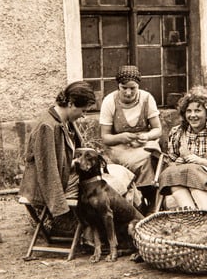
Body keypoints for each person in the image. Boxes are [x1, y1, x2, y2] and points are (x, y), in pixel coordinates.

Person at [19, 81, 96, 218]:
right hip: (43, 188)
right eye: (83, 110)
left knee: (116, 177)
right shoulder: (47, 127)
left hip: (63, 177)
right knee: (102, 188)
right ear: (71, 104)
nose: (83, 115)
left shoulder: (63, 121)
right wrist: (59, 207)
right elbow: (48, 170)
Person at [99, 65, 162, 213]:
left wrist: (146, 136)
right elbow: (105, 137)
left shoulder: (147, 99)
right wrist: (121, 137)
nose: (128, 92)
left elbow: (158, 130)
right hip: (118, 146)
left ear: (138, 86)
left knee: (148, 157)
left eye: (133, 88)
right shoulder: (110, 101)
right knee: (120, 165)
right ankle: (133, 206)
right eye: (124, 88)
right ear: (118, 87)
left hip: (142, 144)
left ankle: (150, 202)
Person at [158, 87, 207, 210]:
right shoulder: (177, 132)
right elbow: (171, 162)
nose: (192, 115)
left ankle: (204, 214)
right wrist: (177, 163)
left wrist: (200, 161)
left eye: (198, 111)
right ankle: (194, 218)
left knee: (191, 172)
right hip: (182, 178)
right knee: (172, 174)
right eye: (189, 111)